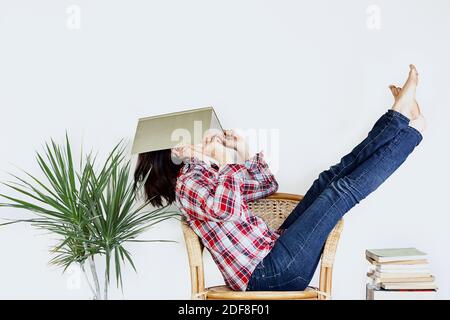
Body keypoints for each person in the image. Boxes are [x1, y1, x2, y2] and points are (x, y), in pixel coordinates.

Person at [134, 64, 425, 291]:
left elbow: (266, 185)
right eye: (204, 134)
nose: (213, 136)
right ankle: (414, 130)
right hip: (268, 273)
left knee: (328, 179)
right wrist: (224, 162)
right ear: (181, 148)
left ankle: (397, 118)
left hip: (275, 253)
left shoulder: (210, 173)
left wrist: (242, 151)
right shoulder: (188, 183)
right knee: (339, 192)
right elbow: (225, 209)